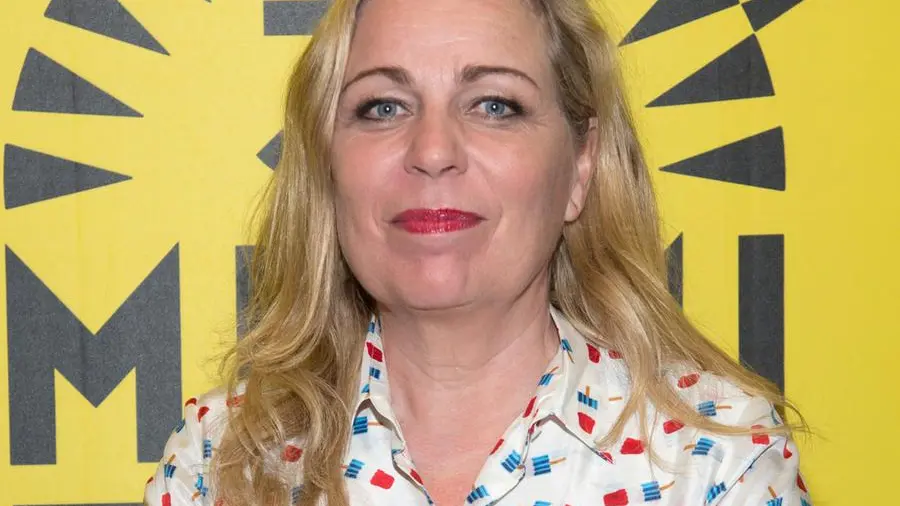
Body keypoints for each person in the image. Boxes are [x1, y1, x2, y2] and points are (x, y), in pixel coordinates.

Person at [145, 0, 811, 504]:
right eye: (383, 107)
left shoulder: (717, 462)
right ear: (328, 165)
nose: (433, 150)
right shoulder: (218, 461)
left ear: (580, 167)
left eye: (494, 105)